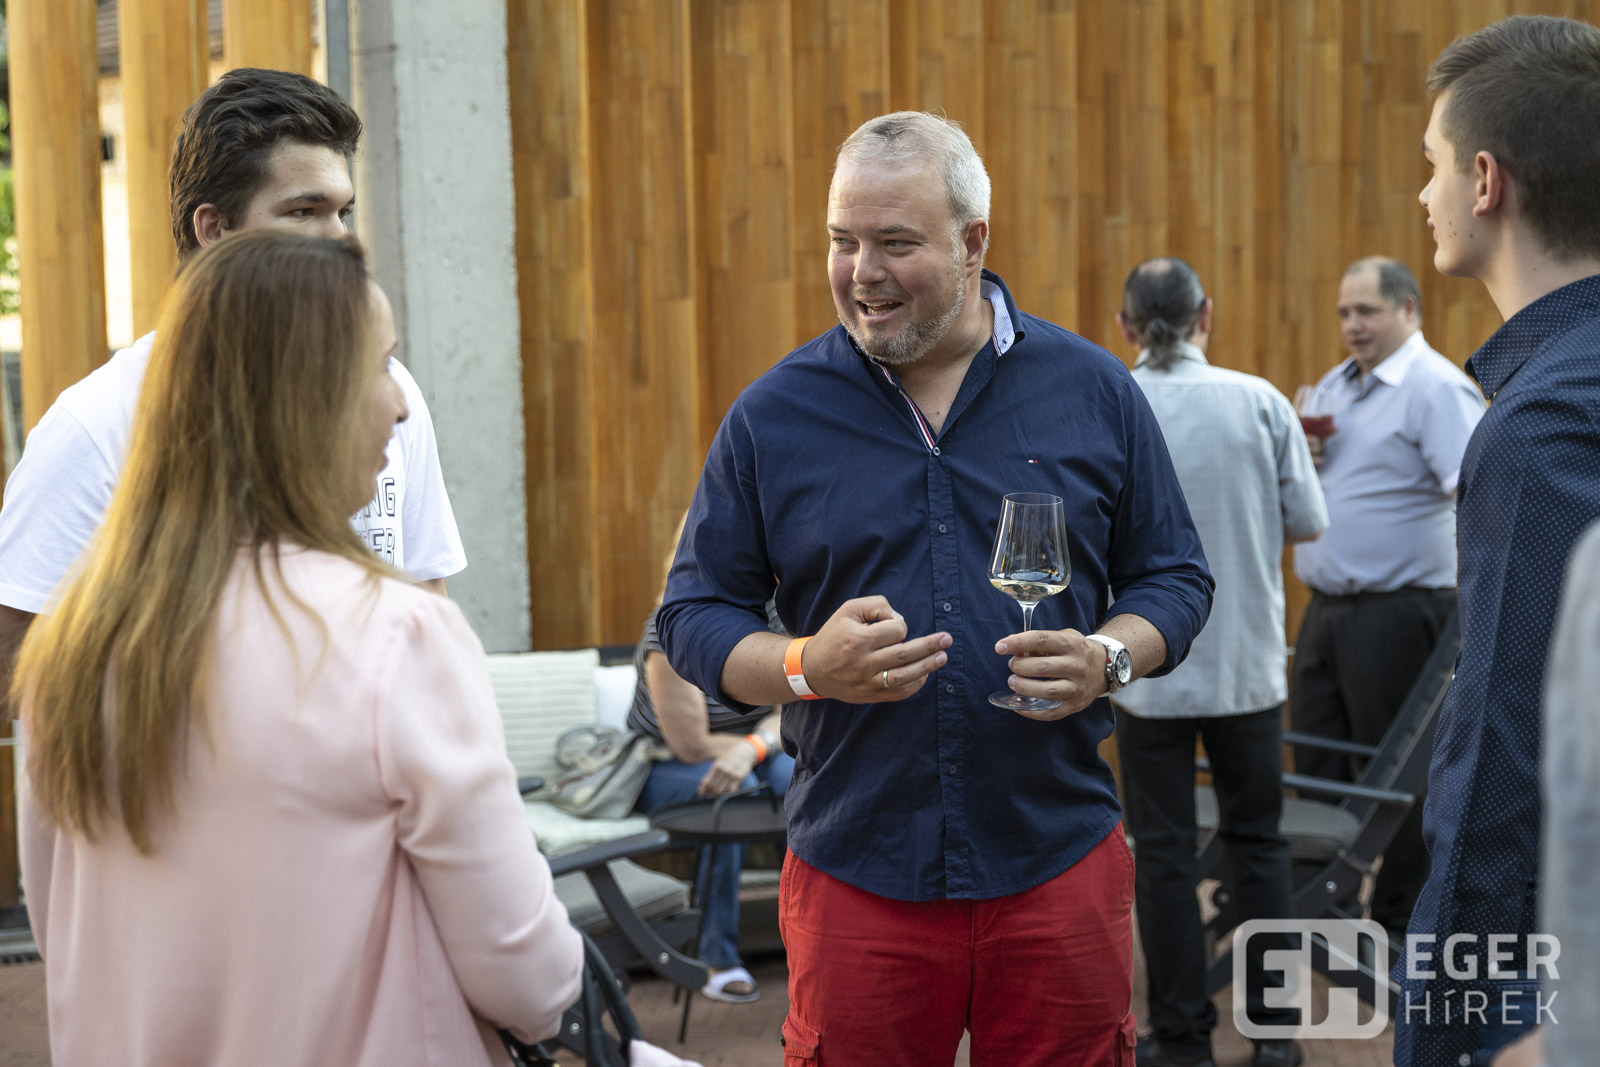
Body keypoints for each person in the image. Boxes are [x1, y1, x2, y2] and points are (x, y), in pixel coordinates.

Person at [657, 111, 1213, 1066]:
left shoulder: (1092, 389)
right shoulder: (773, 415)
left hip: (1055, 854)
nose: (861, 272)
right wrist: (805, 664)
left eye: (895, 243)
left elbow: (1174, 576)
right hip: (857, 868)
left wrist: (1108, 657)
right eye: (842, 240)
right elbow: (693, 614)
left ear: (972, 242)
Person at [15, 231, 581, 1065]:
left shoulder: (71, 647)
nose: (400, 405)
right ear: (305, 399)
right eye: (380, 365)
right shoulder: (394, 636)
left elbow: (56, 917)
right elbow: (526, 972)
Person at [0, 67, 465, 715]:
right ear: (214, 229)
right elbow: (18, 671)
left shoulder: (388, 391)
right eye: (304, 212)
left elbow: (426, 604)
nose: (342, 241)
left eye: (343, 212)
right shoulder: (96, 424)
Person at [1394, 15, 1600, 1066]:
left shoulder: (1544, 423)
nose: (1420, 194)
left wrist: (1444, 1017)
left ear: (1485, 181)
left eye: (1431, 163)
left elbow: (1506, 753)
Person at [1113, 259, 1327, 1067]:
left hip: (1145, 670)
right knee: (1260, 845)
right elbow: (1307, 521)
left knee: (1163, 856)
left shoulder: (1115, 402)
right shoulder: (1260, 401)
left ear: (1127, 326)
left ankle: (1181, 1038)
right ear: (1206, 314)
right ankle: (1276, 1035)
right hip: (1245, 664)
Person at [1289, 255, 1484, 938]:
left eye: (1366, 311)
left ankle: (1400, 924)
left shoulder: (1436, 388)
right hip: (1327, 610)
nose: (1352, 325)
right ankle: (1325, 912)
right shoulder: (1333, 387)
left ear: (1408, 309)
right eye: (1344, 312)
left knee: (1398, 778)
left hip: (1400, 614)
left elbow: (1477, 494)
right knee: (1317, 760)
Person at [626, 525, 795, 1004]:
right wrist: (751, 753)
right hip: (664, 765)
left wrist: (751, 749)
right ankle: (717, 957)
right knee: (733, 794)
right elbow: (692, 744)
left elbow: (787, 711)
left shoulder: (773, 618)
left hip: (751, 754)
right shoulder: (670, 628)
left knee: (800, 776)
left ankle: (812, 935)